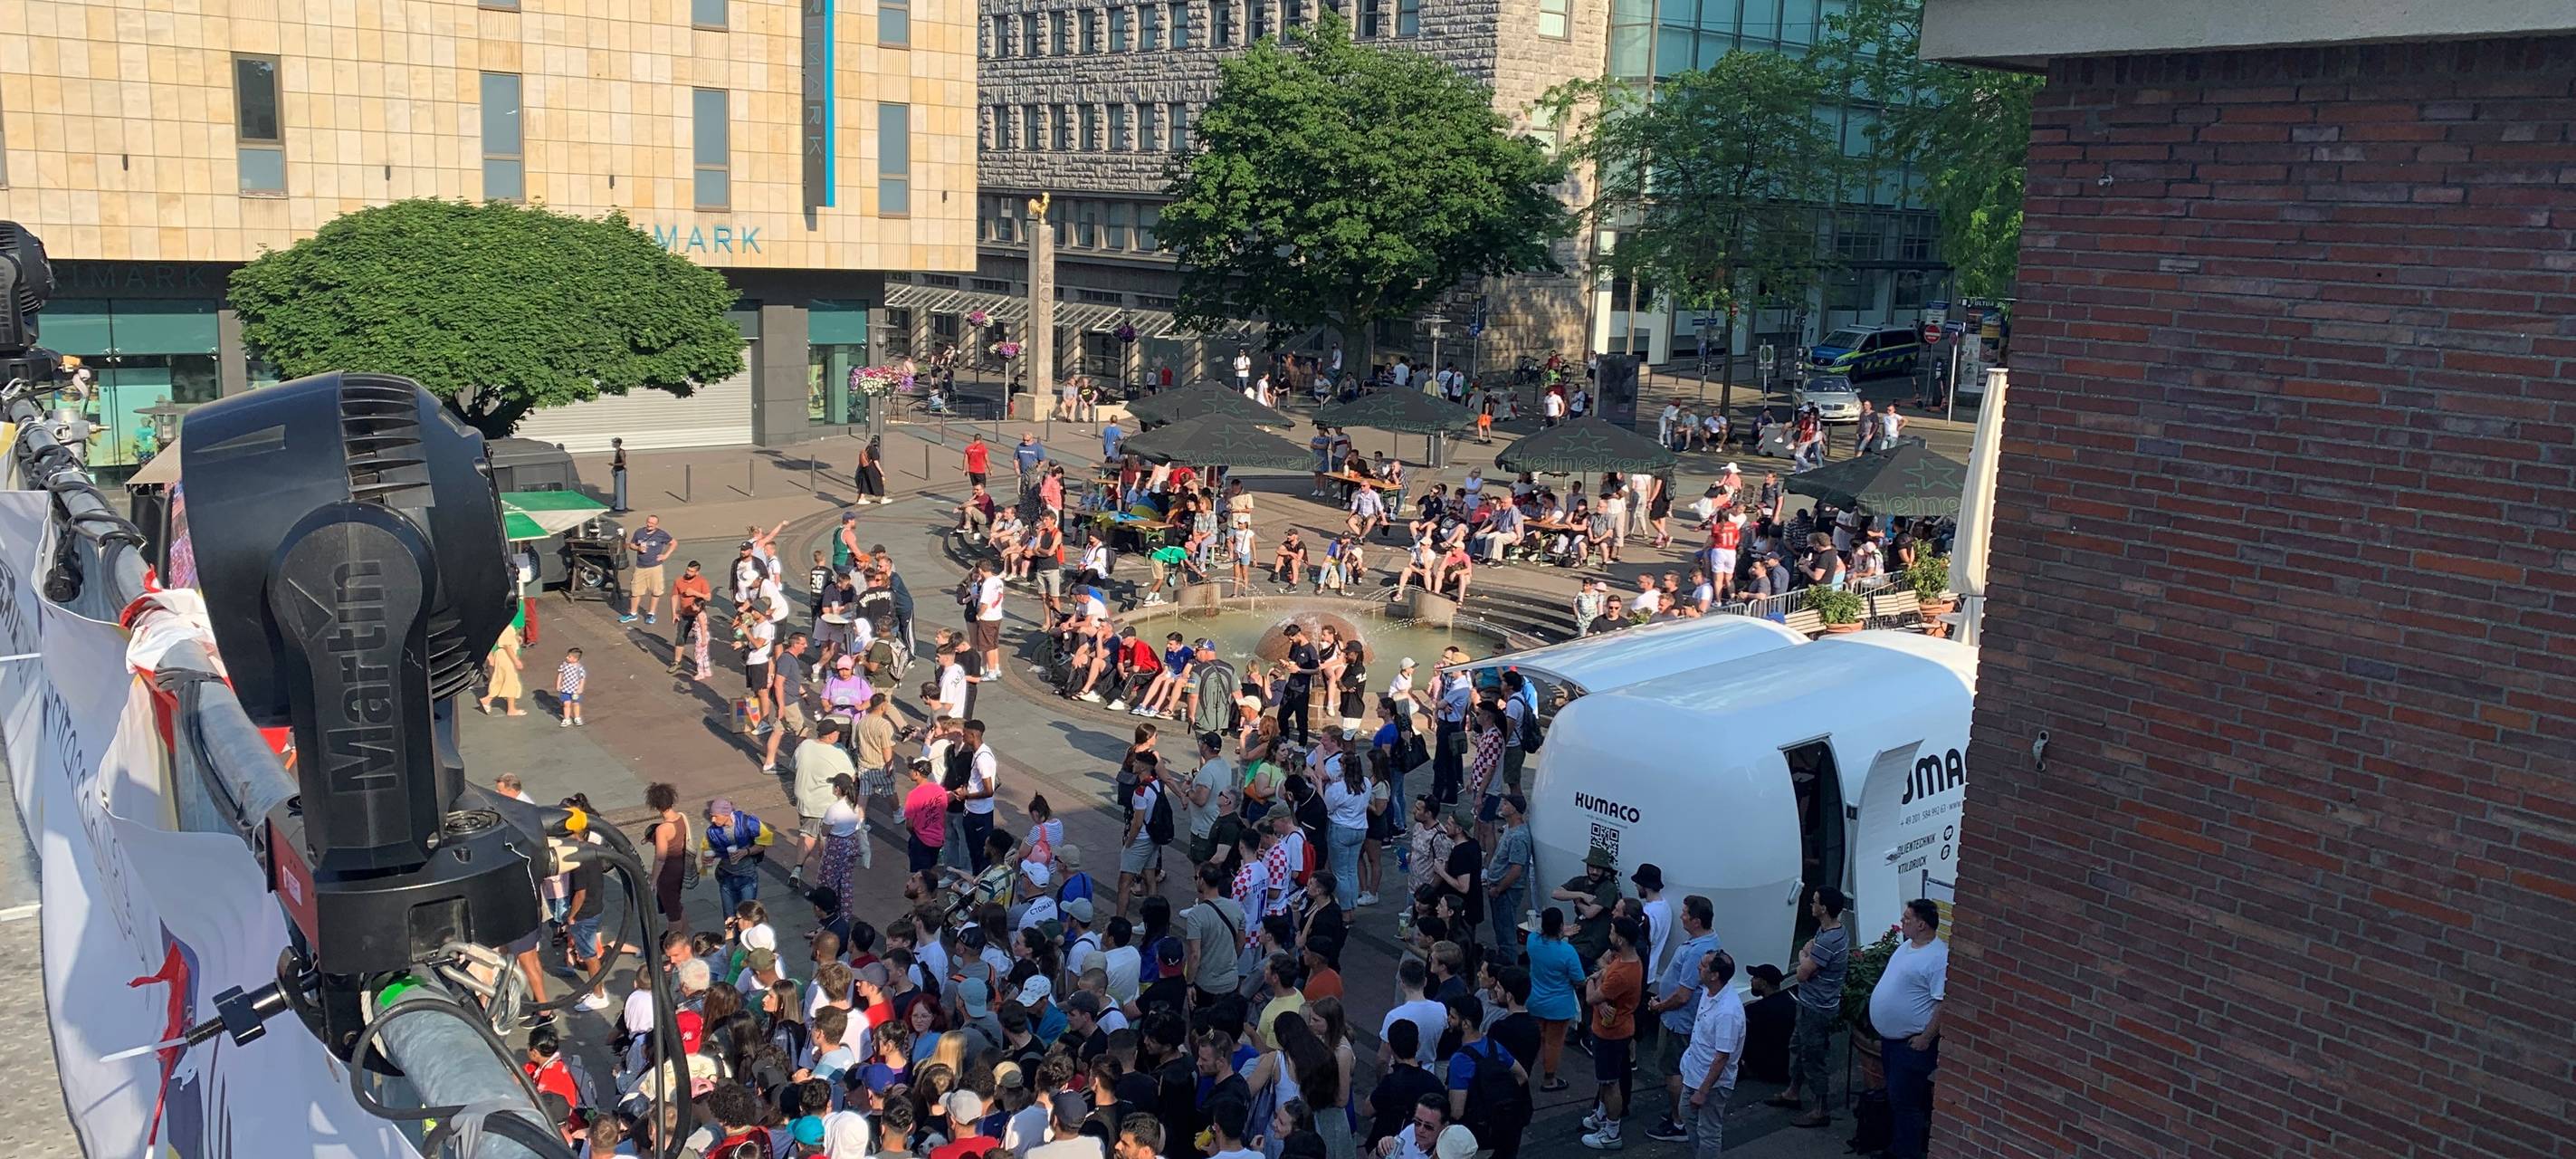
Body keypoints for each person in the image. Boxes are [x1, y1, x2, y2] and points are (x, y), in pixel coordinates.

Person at [1869, 899, 1948, 1159]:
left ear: (1922, 924)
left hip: (1911, 1046)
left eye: (1907, 919)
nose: (1902, 922)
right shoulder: (1907, 947)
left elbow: (1942, 1003)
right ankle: (1896, 1148)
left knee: (1905, 1102)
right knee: (1896, 1098)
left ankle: (1906, 1154)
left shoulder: (1938, 958)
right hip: (1892, 1042)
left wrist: (1926, 1038)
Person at [1773, 886, 1848, 1126]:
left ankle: (1820, 1109)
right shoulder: (1831, 931)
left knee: (1813, 1055)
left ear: (1824, 908)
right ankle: (1792, 1092)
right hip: (1809, 1003)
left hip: (1817, 1008)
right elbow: (1808, 948)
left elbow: (1803, 972)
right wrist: (1808, 955)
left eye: (1815, 901)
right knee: (1797, 1046)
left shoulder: (1828, 940)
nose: (1811, 905)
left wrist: (1805, 957)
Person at [1578, 916, 1646, 1151]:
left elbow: (1591, 998)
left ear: (1621, 939)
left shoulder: (1622, 974)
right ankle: (1601, 1114)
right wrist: (1601, 978)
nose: (1609, 935)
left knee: (1609, 1082)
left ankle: (1612, 1131)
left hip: (1611, 1033)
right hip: (1613, 1029)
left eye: (1613, 932)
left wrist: (1592, 979)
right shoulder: (1627, 960)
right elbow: (1606, 972)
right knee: (1605, 1079)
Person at [1677, 950, 1746, 1159]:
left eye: (1703, 965)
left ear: (1714, 975)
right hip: (1695, 1073)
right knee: (1687, 1114)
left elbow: (1722, 1057)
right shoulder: (1710, 993)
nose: (1699, 968)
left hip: (1712, 1084)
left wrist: (1703, 1091)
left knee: (1709, 1131)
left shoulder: (1727, 1012)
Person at [623, 514, 676, 625]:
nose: (649, 525)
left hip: (655, 567)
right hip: (640, 566)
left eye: (652, 523)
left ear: (656, 525)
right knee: (635, 591)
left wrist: (665, 556)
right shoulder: (639, 532)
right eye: (648, 522)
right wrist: (638, 548)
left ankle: (651, 613)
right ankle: (633, 613)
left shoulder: (661, 534)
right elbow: (632, 544)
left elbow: (674, 543)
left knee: (656, 591)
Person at [477, 625, 527, 716]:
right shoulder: (506, 627)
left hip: (502, 656)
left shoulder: (503, 626)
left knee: (500, 680)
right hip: (506, 657)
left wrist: (516, 638)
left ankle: (487, 700)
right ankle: (511, 709)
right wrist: (516, 661)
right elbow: (506, 646)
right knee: (511, 681)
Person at [554, 647, 587, 727]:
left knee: (576, 704)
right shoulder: (564, 665)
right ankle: (566, 719)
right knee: (566, 704)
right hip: (565, 689)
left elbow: (582, 678)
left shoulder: (579, 668)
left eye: (569, 657)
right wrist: (558, 684)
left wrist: (580, 688)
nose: (567, 657)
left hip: (575, 690)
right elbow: (560, 674)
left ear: (575, 659)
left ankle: (577, 717)